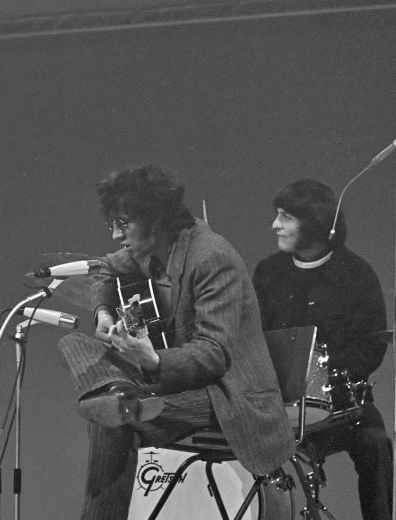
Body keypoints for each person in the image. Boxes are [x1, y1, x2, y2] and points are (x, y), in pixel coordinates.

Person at [55, 165, 294, 519]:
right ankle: (119, 395)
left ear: (155, 219)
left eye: (123, 223)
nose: (116, 234)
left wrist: (153, 361)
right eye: (112, 224)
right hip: (176, 384)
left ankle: (120, 401)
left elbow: (214, 355)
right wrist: (103, 312)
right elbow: (105, 269)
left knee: (113, 420)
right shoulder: (150, 247)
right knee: (74, 342)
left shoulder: (212, 257)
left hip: (227, 397)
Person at [253, 179, 392, 519]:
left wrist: (324, 376)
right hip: (281, 405)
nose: (274, 225)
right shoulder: (268, 272)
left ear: (315, 223)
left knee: (376, 444)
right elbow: (253, 338)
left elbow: (371, 345)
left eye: (286, 217)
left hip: (344, 404)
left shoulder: (357, 274)